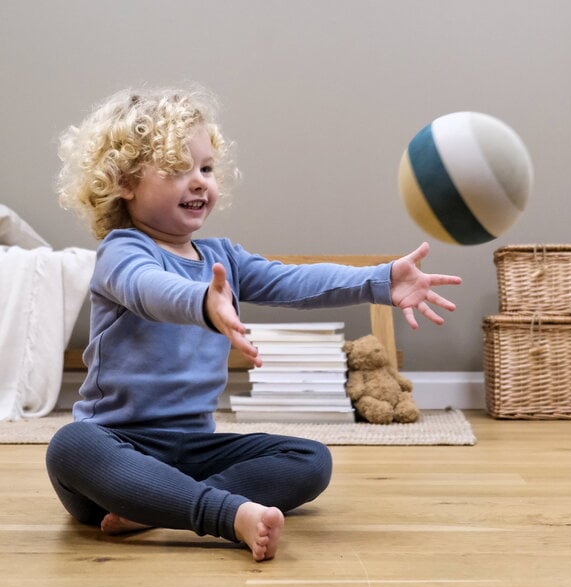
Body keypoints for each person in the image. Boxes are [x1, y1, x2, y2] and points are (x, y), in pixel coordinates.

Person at [46, 85, 462, 562]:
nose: (200, 181)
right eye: (179, 170)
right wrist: (203, 302)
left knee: (311, 460)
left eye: (205, 168)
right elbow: (148, 289)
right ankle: (220, 512)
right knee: (68, 446)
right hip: (116, 446)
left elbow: (295, 282)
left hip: (195, 450)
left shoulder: (223, 258)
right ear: (125, 181)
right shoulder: (123, 251)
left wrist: (378, 281)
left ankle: (162, 504)